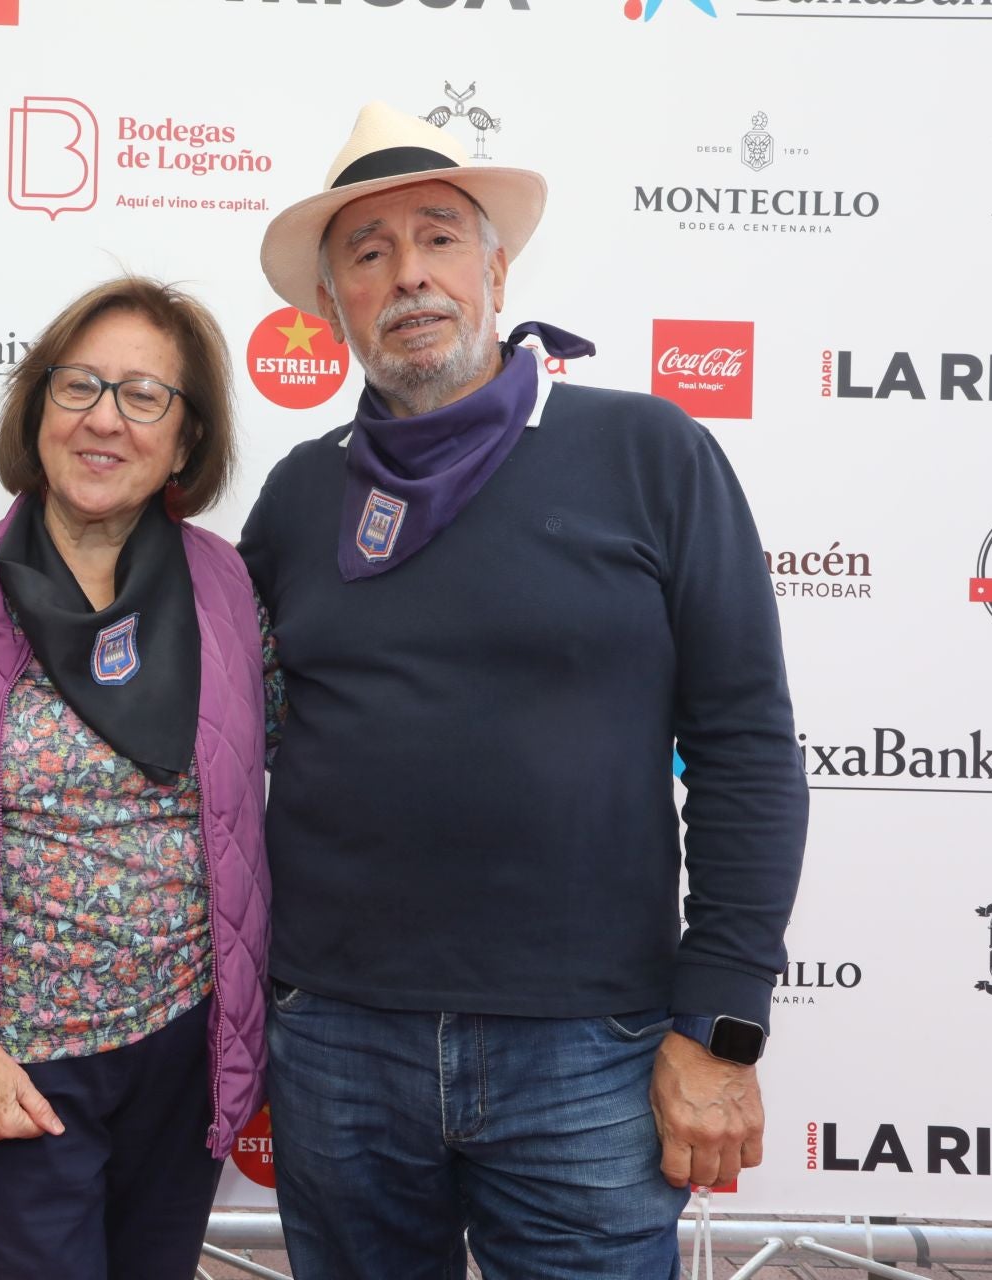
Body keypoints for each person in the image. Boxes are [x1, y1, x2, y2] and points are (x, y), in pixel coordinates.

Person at [240, 102, 809, 1279]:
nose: (410, 276)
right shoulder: (295, 498)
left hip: (590, 1048)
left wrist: (722, 1025)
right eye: (368, 251)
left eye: (441, 237)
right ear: (332, 305)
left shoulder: (650, 452)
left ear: (497, 267)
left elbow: (747, 744)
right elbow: (216, 741)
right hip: (336, 1037)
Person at [0, 277, 275, 1280]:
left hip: (185, 1051)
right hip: (16, 1068)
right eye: (78, 386)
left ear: (188, 439)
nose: (104, 418)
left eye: (143, 394)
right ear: (34, 409)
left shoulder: (230, 591)